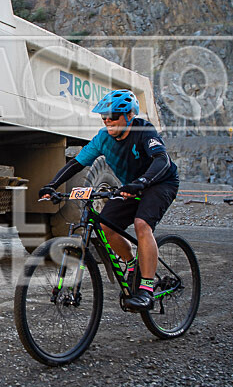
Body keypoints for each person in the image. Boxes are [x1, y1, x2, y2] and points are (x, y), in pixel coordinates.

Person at [39, 89, 179, 311]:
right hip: (131, 187)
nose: (107, 121)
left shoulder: (144, 131)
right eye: (104, 118)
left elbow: (162, 160)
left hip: (160, 182)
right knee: (104, 225)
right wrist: (52, 185)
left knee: (142, 224)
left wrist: (142, 182)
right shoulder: (103, 138)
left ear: (128, 115)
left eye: (113, 117)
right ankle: (133, 265)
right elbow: (77, 164)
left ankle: (146, 290)